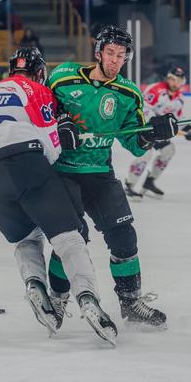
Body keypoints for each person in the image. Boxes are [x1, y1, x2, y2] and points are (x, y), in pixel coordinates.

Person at [0, 47, 117, 344]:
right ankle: (88, 297)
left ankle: (34, 283)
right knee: (70, 236)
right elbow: (51, 145)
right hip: (24, 162)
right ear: (39, 71)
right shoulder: (36, 88)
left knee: (28, 237)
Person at [46, 25, 178, 328]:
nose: (116, 60)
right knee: (72, 238)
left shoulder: (127, 94)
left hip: (100, 173)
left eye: (121, 55)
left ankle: (131, 302)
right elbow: (43, 112)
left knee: (124, 237)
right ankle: (56, 298)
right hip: (63, 171)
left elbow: (134, 143)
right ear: (98, 52)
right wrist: (60, 122)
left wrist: (153, 134)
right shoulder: (63, 76)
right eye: (111, 53)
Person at [124, 66, 187, 199]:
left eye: (178, 80)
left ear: (183, 82)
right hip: (145, 128)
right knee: (146, 153)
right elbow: (143, 108)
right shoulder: (156, 90)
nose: (175, 83)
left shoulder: (179, 98)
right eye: (172, 79)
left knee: (169, 150)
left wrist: (189, 130)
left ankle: (149, 182)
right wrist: (155, 122)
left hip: (159, 132)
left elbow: (177, 119)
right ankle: (130, 185)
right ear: (168, 78)